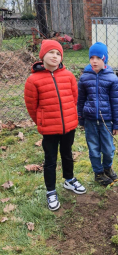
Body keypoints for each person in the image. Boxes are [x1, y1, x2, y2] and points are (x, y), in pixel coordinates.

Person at [24, 40, 86, 211]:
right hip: (49, 129)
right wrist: (42, 121)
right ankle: (51, 190)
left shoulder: (68, 76)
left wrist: (70, 116)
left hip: (69, 126)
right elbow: (31, 106)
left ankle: (69, 179)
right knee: (50, 159)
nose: (54, 56)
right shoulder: (33, 80)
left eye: (58, 53)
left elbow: (74, 98)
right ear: (42, 56)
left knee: (67, 154)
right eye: (51, 52)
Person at [77, 42, 118, 187]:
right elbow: (80, 100)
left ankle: (107, 167)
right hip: (90, 120)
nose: (94, 61)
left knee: (108, 149)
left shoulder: (112, 79)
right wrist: (81, 119)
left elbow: (117, 103)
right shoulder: (85, 78)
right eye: (92, 58)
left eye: (98, 58)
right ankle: (98, 173)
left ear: (105, 59)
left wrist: (117, 123)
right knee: (94, 148)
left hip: (106, 121)